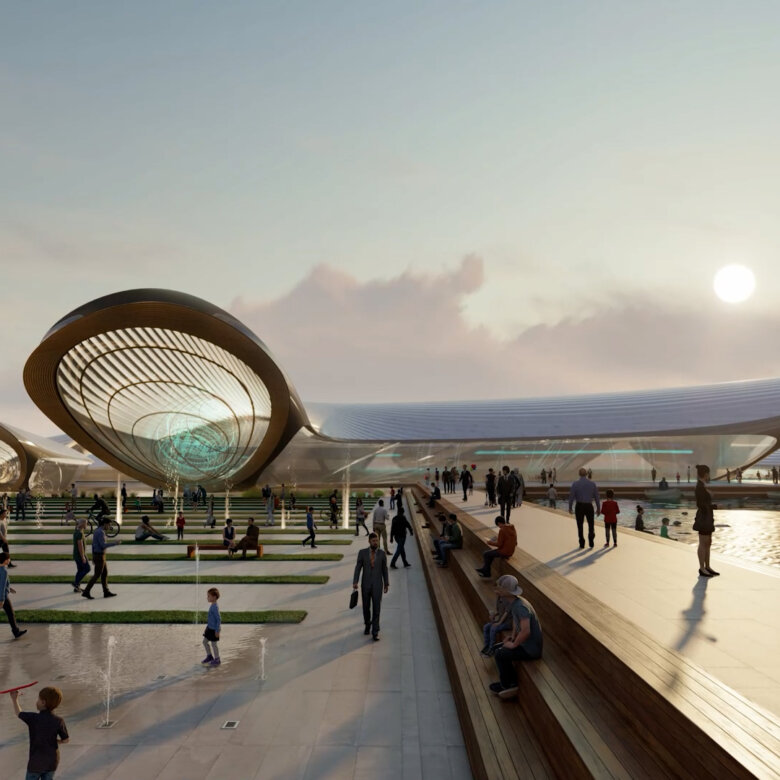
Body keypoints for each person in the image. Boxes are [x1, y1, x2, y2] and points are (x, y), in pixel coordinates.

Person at [488, 575, 543, 699]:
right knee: (498, 648)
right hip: (525, 644)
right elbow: (516, 623)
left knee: (501, 654)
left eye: (499, 589)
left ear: (506, 592)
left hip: (531, 649)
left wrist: (513, 644)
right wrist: (512, 637)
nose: (497, 591)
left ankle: (509, 685)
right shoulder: (514, 602)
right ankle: (506, 681)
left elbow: (526, 631)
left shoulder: (520, 607)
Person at [9, 685, 69, 778]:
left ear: (43, 702)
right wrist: (55, 741)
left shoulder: (33, 718)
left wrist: (14, 699)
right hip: (52, 762)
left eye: (38, 699)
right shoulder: (59, 720)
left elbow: (19, 713)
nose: (36, 701)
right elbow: (66, 740)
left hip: (35, 764)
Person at [352, 533, 389, 640]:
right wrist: (355, 581)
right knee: (366, 608)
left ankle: (375, 631)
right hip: (366, 585)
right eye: (373, 541)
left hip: (378, 585)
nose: (376, 542)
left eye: (377, 540)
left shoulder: (382, 554)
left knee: (377, 608)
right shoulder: (362, 553)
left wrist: (386, 583)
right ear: (369, 541)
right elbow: (358, 568)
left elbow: (384, 569)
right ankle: (367, 625)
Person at [82, 517, 122, 599]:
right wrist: (115, 543)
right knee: (97, 575)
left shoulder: (97, 531)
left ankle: (106, 592)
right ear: (105, 524)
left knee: (104, 574)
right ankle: (86, 591)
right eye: (109, 524)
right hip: (100, 556)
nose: (109, 526)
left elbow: (93, 545)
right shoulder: (100, 532)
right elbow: (103, 545)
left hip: (99, 555)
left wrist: (93, 556)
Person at [694, 464, 719, 577]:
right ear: (706, 474)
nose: (709, 476)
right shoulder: (700, 487)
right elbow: (700, 504)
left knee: (708, 542)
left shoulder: (702, 486)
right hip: (704, 516)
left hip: (707, 516)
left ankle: (707, 566)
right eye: (709, 473)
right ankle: (702, 568)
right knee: (703, 543)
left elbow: (704, 503)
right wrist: (713, 506)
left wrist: (712, 506)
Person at [568, 467, 601, 549]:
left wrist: (570, 507)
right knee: (591, 524)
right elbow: (597, 497)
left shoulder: (575, 484)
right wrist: (598, 508)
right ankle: (591, 538)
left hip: (579, 506)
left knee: (580, 525)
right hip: (589, 506)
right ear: (586, 474)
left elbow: (571, 497)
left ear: (579, 474)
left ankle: (582, 542)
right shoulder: (592, 484)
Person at [0, 551, 27, 638]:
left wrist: (9, 588)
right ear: (5, 560)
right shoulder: (4, 571)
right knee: (11, 614)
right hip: (3, 597)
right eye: (8, 559)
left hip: (3, 594)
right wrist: (2, 600)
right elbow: (1, 586)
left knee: (10, 614)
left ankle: (16, 631)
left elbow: (3, 584)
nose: (9, 560)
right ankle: (16, 632)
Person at [481, 586, 512, 657]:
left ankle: (492, 649)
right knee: (486, 627)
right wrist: (494, 615)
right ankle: (487, 646)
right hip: (500, 620)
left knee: (493, 628)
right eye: (494, 589)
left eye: (496, 590)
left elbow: (506, 613)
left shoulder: (507, 599)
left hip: (507, 623)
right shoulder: (499, 598)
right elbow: (499, 611)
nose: (495, 591)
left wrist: (499, 623)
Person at [201, 587, 221, 667]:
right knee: (205, 642)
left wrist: (217, 631)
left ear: (214, 597)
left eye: (209, 596)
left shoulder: (215, 607)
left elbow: (218, 619)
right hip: (209, 628)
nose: (207, 597)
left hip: (214, 630)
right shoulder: (212, 605)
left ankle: (217, 659)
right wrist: (207, 627)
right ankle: (209, 656)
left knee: (214, 644)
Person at [71, 518, 90, 593]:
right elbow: (80, 546)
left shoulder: (77, 531)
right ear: (82, 524)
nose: (87, 525)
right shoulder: (79, 533)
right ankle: (76, 583)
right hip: (80, 555)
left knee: (80, 570)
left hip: (76, 555)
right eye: (86, 523)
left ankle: (77, 587)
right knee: (87, 569)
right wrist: (83, 557)